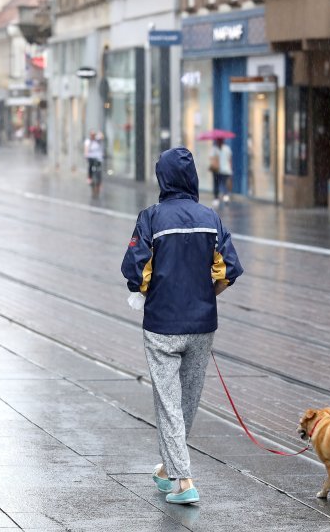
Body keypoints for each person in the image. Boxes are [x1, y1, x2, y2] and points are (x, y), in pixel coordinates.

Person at [121, 147, 244, 506]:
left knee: (169, 403)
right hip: (202, 325)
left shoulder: (151, 218)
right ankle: (166, 470)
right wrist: (208, 295)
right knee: (187, 401)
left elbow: (134, 271)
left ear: (162, 178)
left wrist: (152, 291)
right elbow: (229, 270)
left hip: (162, 325)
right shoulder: (211, 217)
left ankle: (184, 480)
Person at [210, 138, 233, 208]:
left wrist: (230, 169)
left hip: (224, 170)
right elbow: (212, 159)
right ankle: (218, 198)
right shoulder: (215, 149)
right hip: (218, 170)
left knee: (223, 184)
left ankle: (223, 198)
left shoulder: (225, 149)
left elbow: (230, 159)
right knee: (218, 184)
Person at [84, 130, 104, 198]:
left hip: (98, 158)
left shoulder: (97, 140)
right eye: (91, 135)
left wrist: (99, 135)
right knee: (90, 166)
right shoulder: (88, 141)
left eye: (94, 135)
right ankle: (89, 177)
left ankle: (99, 183)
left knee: (99, 170)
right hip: (91, 157)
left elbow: (101, 136)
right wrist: (86, 155)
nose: (93, 136)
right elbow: (86, 149)